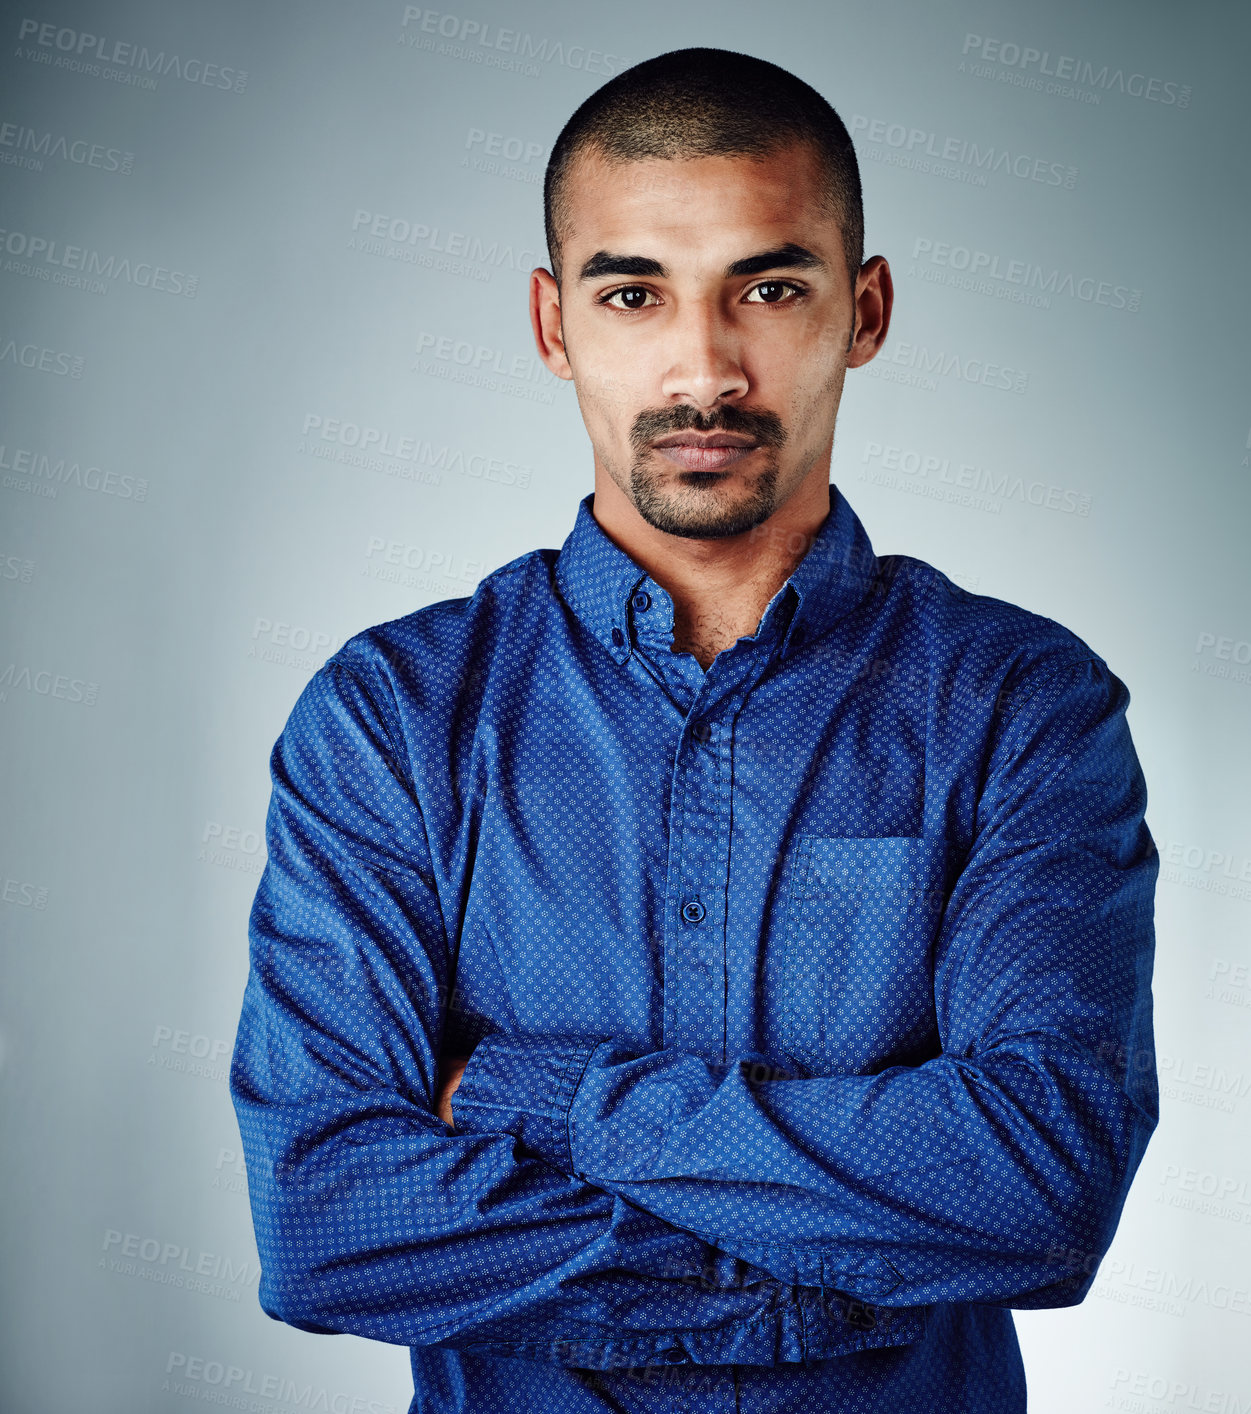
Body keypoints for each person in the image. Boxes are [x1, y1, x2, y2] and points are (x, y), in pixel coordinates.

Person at [230, 46, 1159, 1414]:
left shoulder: (1021, 707)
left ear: (864, 308)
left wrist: (538, 1096)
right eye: (632, 293)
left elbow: (1038, 1186)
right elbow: (327, 1217)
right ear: (554, 324)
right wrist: (826, 1258)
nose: (703, 366)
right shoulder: (392, 716)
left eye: (768, 288)